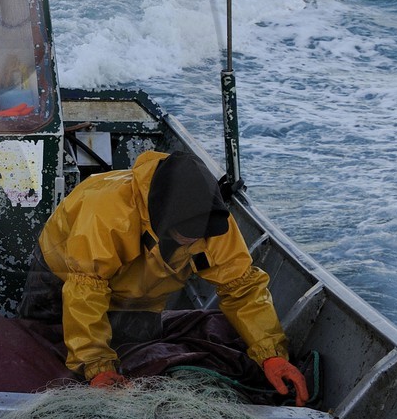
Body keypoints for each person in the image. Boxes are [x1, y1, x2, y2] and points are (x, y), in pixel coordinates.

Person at [21, 149, 311, 404]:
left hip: (141, 294)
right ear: (162, 219)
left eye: (199, 235)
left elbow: (242, 288)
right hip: (66, 277)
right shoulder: (107, 212)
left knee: (136, 359)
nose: (194, 240)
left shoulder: (213, 221)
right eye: (185, 234)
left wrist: (271, 355)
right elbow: (86, 290)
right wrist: (98, 368)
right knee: (42, 355)